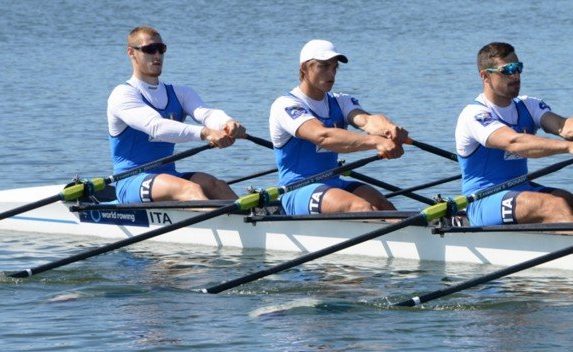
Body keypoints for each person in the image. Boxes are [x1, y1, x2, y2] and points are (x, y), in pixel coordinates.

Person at [454, 42, 573, 227]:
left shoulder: (527, 105)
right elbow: (514, 142)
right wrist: (570, 146)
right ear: (485, 76)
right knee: (552, 205)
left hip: (522, 191)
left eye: (518, 68)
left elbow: (561, 124)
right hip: (483, 201)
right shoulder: (474, 115)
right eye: (507, 70)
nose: (515, 75)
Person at [107, 25, 247, 203]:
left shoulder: (180, 93)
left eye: (161, 49)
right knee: (190, 189)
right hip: (131, 182)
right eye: (149, 49)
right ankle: (221, 226)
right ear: (131, 52)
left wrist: (226, 123)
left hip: (169, 175)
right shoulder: (123, 94)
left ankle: (253, 222)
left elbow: (206, 113)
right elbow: (156, 127)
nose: (157, 55)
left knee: (216, 185)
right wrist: (206, 133)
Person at [269, 39, 408, 216]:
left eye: (334, 67)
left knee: (383, 206)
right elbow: (323, 136)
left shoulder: (340, 101)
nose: (331, 73)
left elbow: (366, 120)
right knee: (361, 208)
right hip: (297, 190)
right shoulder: (286, 105)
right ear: (305, 68)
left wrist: (389, 129)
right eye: (324, 66)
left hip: (334, 184)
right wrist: (375, 142)